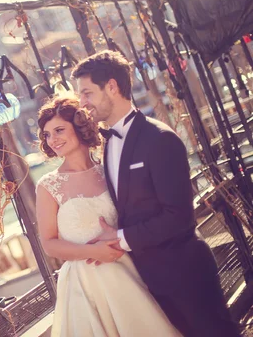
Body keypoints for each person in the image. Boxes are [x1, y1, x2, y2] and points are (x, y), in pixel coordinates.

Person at [72, 50, 239, 337]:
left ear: (111, 86)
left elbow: (180, 217)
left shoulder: (160, 139)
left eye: (86, 93)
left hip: (185, 273)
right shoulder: (108, 143)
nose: (82, 103)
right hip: (147, 279)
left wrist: (120, 238)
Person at [35, 96, 180, 337]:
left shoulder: (109, 170)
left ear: (79, 127)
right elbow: (49, 244)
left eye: (59, 130)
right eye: (47, 134)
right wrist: (94, 251)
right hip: (87, 285)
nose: (53, 139)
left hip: (132, 270)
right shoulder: (49, 186)